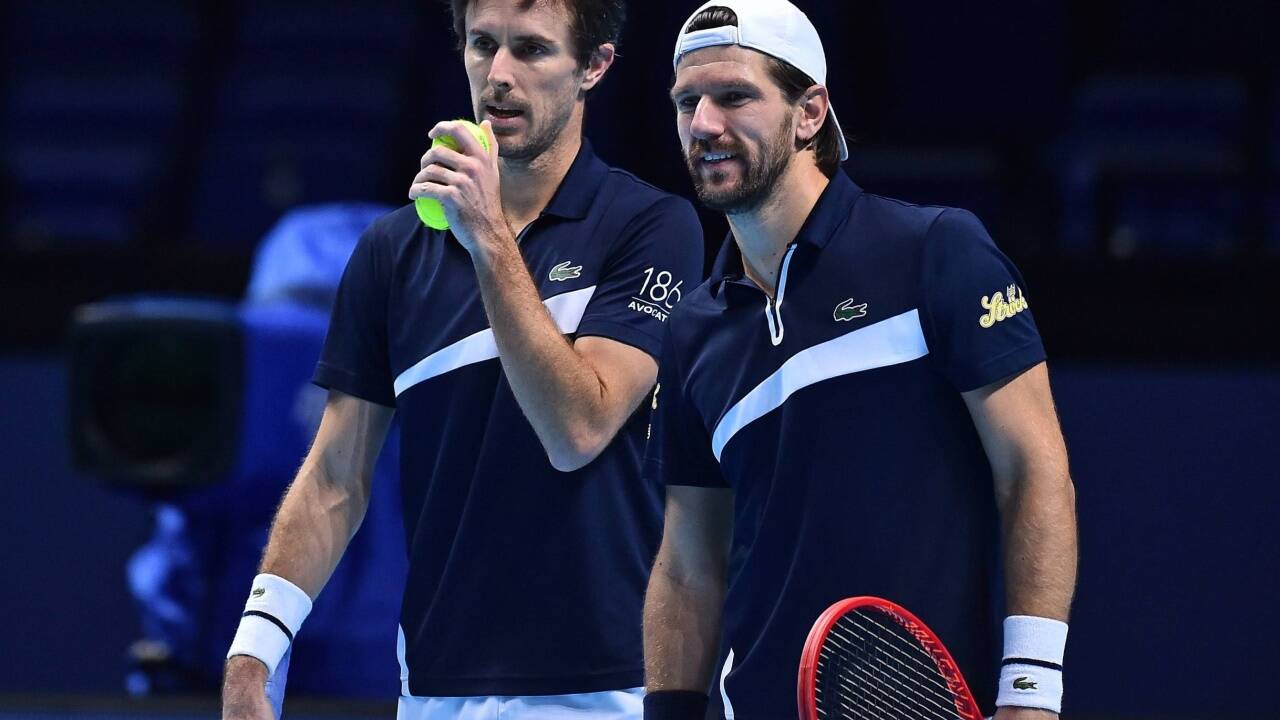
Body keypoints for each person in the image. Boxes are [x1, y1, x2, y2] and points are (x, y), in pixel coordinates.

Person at [221, 0, 704, 718]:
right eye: (483, 44)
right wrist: (254, 651)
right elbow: (335, 476)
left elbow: (580, 427)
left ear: (594, 67)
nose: (499, 74)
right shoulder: (390, 253)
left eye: (532, 49)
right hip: (434, 689)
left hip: (604, 686)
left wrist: (487, 235)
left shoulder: (651, 227)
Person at [641, 2, 1078, 719]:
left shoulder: (936, 252)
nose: (704, 124)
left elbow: (1034, 470)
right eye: (687, 102)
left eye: (735, 96)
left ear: (810, 112)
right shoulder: (692, 331)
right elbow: (688, 561)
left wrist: (1031, 691)